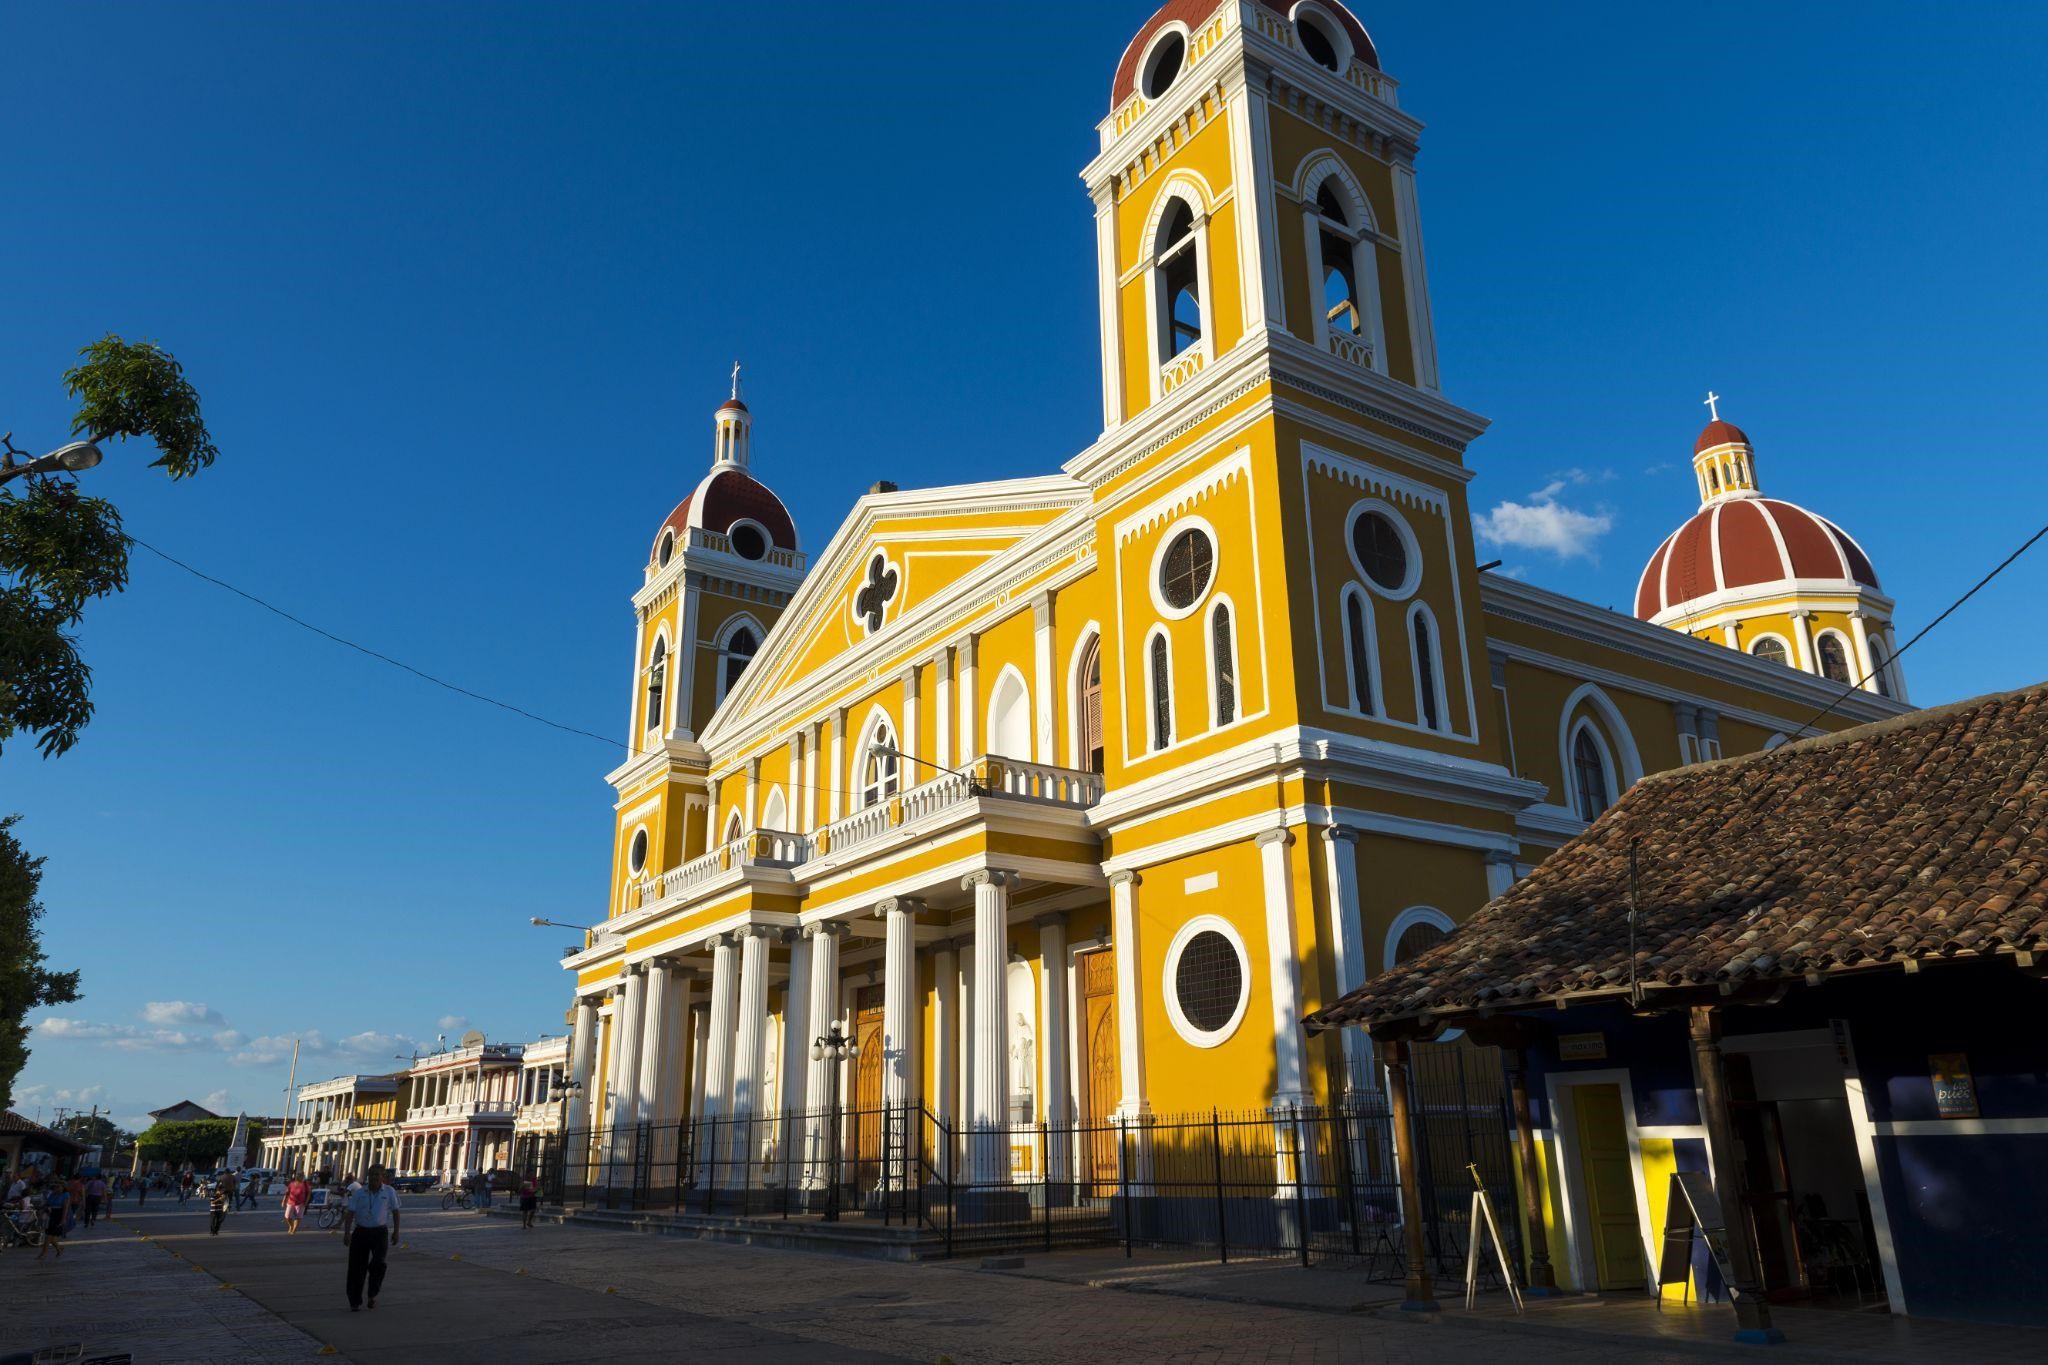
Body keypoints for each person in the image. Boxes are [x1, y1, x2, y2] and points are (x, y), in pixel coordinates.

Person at [340, 1164, 403, 1312]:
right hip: (361, 1232)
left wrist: (396, 1232)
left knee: (379, 1264)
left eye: (377, 1174)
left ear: (383, 1177)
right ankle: (355, 1301)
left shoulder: (389, 1191)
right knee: (356, 1267)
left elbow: (396, 1212)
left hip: (379, 1232)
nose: (374, 1177)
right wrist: (347, 1233)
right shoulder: (359, 1193)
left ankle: (372, 1294)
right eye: (371, 1174)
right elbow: (350, 1213)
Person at [36, 1178, 71, 1260]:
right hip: (51, 1215)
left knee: (49, 1236)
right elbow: (47, 1203)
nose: (56, 1188)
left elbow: (65, 1208)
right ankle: (59, 1249)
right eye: (56, 1187)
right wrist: (40, 1208)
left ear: (63, 1187)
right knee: (50, 1236)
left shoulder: (66, 1195)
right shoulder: (53, 1194)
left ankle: (43, 1253)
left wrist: (63, 1219)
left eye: (58, 1187)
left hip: (60, 1214)